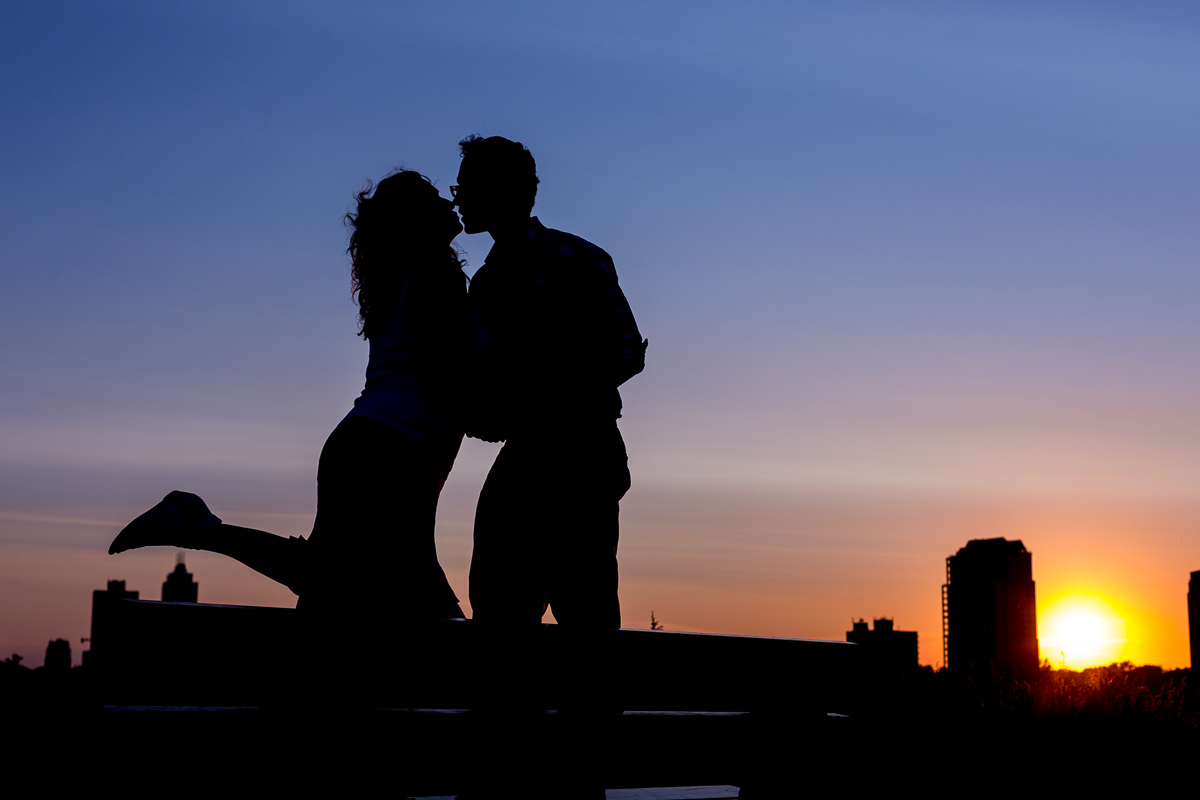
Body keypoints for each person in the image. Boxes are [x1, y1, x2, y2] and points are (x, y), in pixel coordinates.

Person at [109, 170, 470, 623]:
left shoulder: (404, 279)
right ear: (416, 219)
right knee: (373, 583)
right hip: (395, 447)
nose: (448, 203)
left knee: (345, 587)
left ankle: (198, 527)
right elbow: (461, 370)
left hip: (373, 442)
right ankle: (199, 526)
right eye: (435, 197)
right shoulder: (436, 274)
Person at [453, 135, 647, 634]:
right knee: (499, 608)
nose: (457, 195)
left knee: (585, 615)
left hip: (580, 454)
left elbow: (624, 351)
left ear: (503, 190)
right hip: (531, 454)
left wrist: (531, 402)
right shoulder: (486, 283)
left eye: (467, 183)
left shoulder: (575, 258)